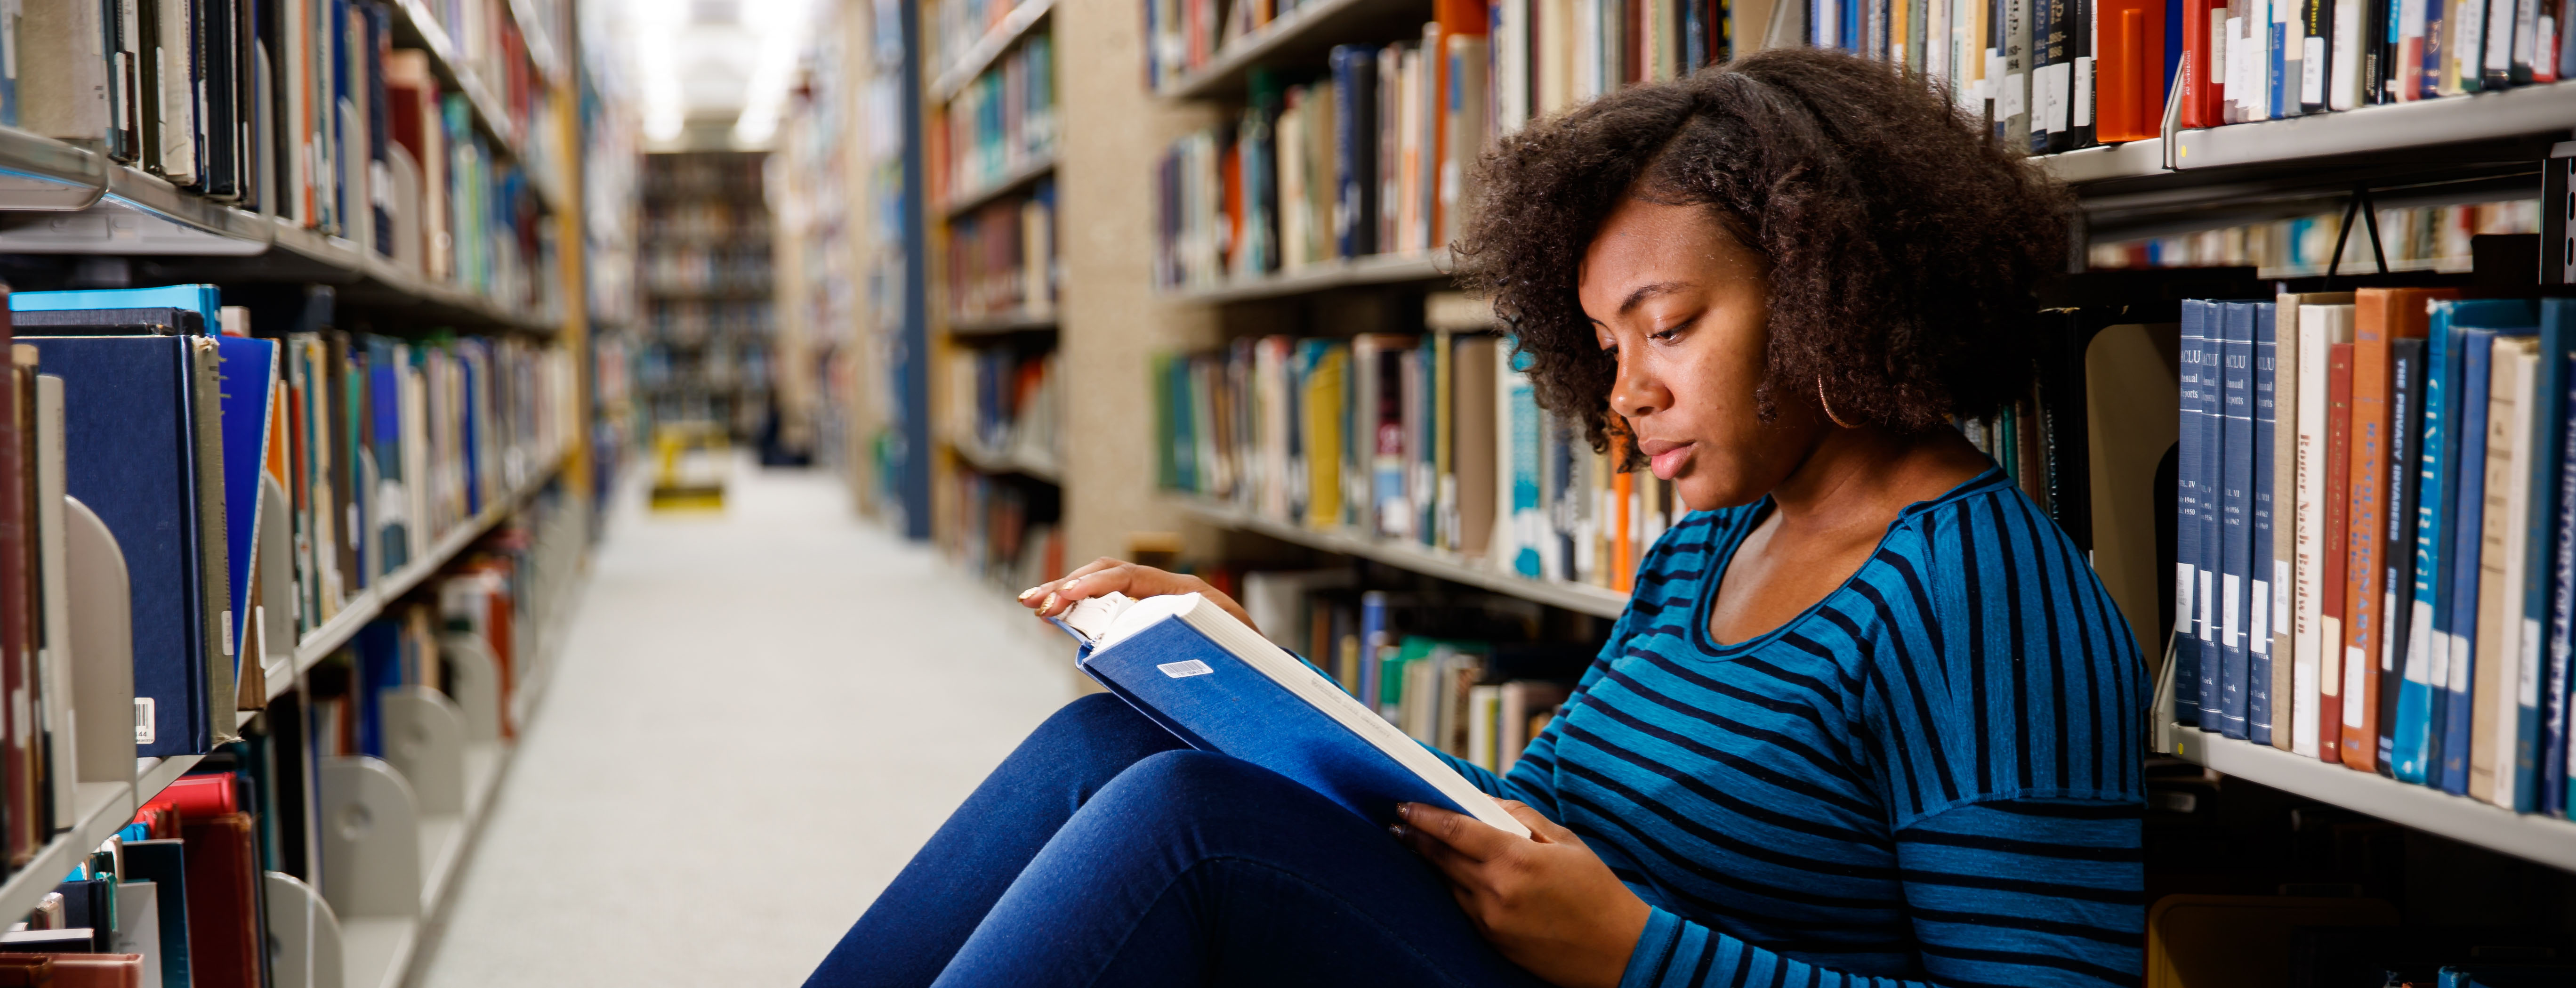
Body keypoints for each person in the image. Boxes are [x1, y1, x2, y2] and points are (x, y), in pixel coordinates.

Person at [806, 47, 2143, 988]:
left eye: (1669, 327)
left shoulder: (1982, 593)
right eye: (1607, 344)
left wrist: (1638, 955)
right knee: (1116, 737)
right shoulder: (1707, 554)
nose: (1629, 392)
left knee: (1195, 826)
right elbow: (1511, 823)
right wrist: (1268, 689)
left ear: (1825, 286)